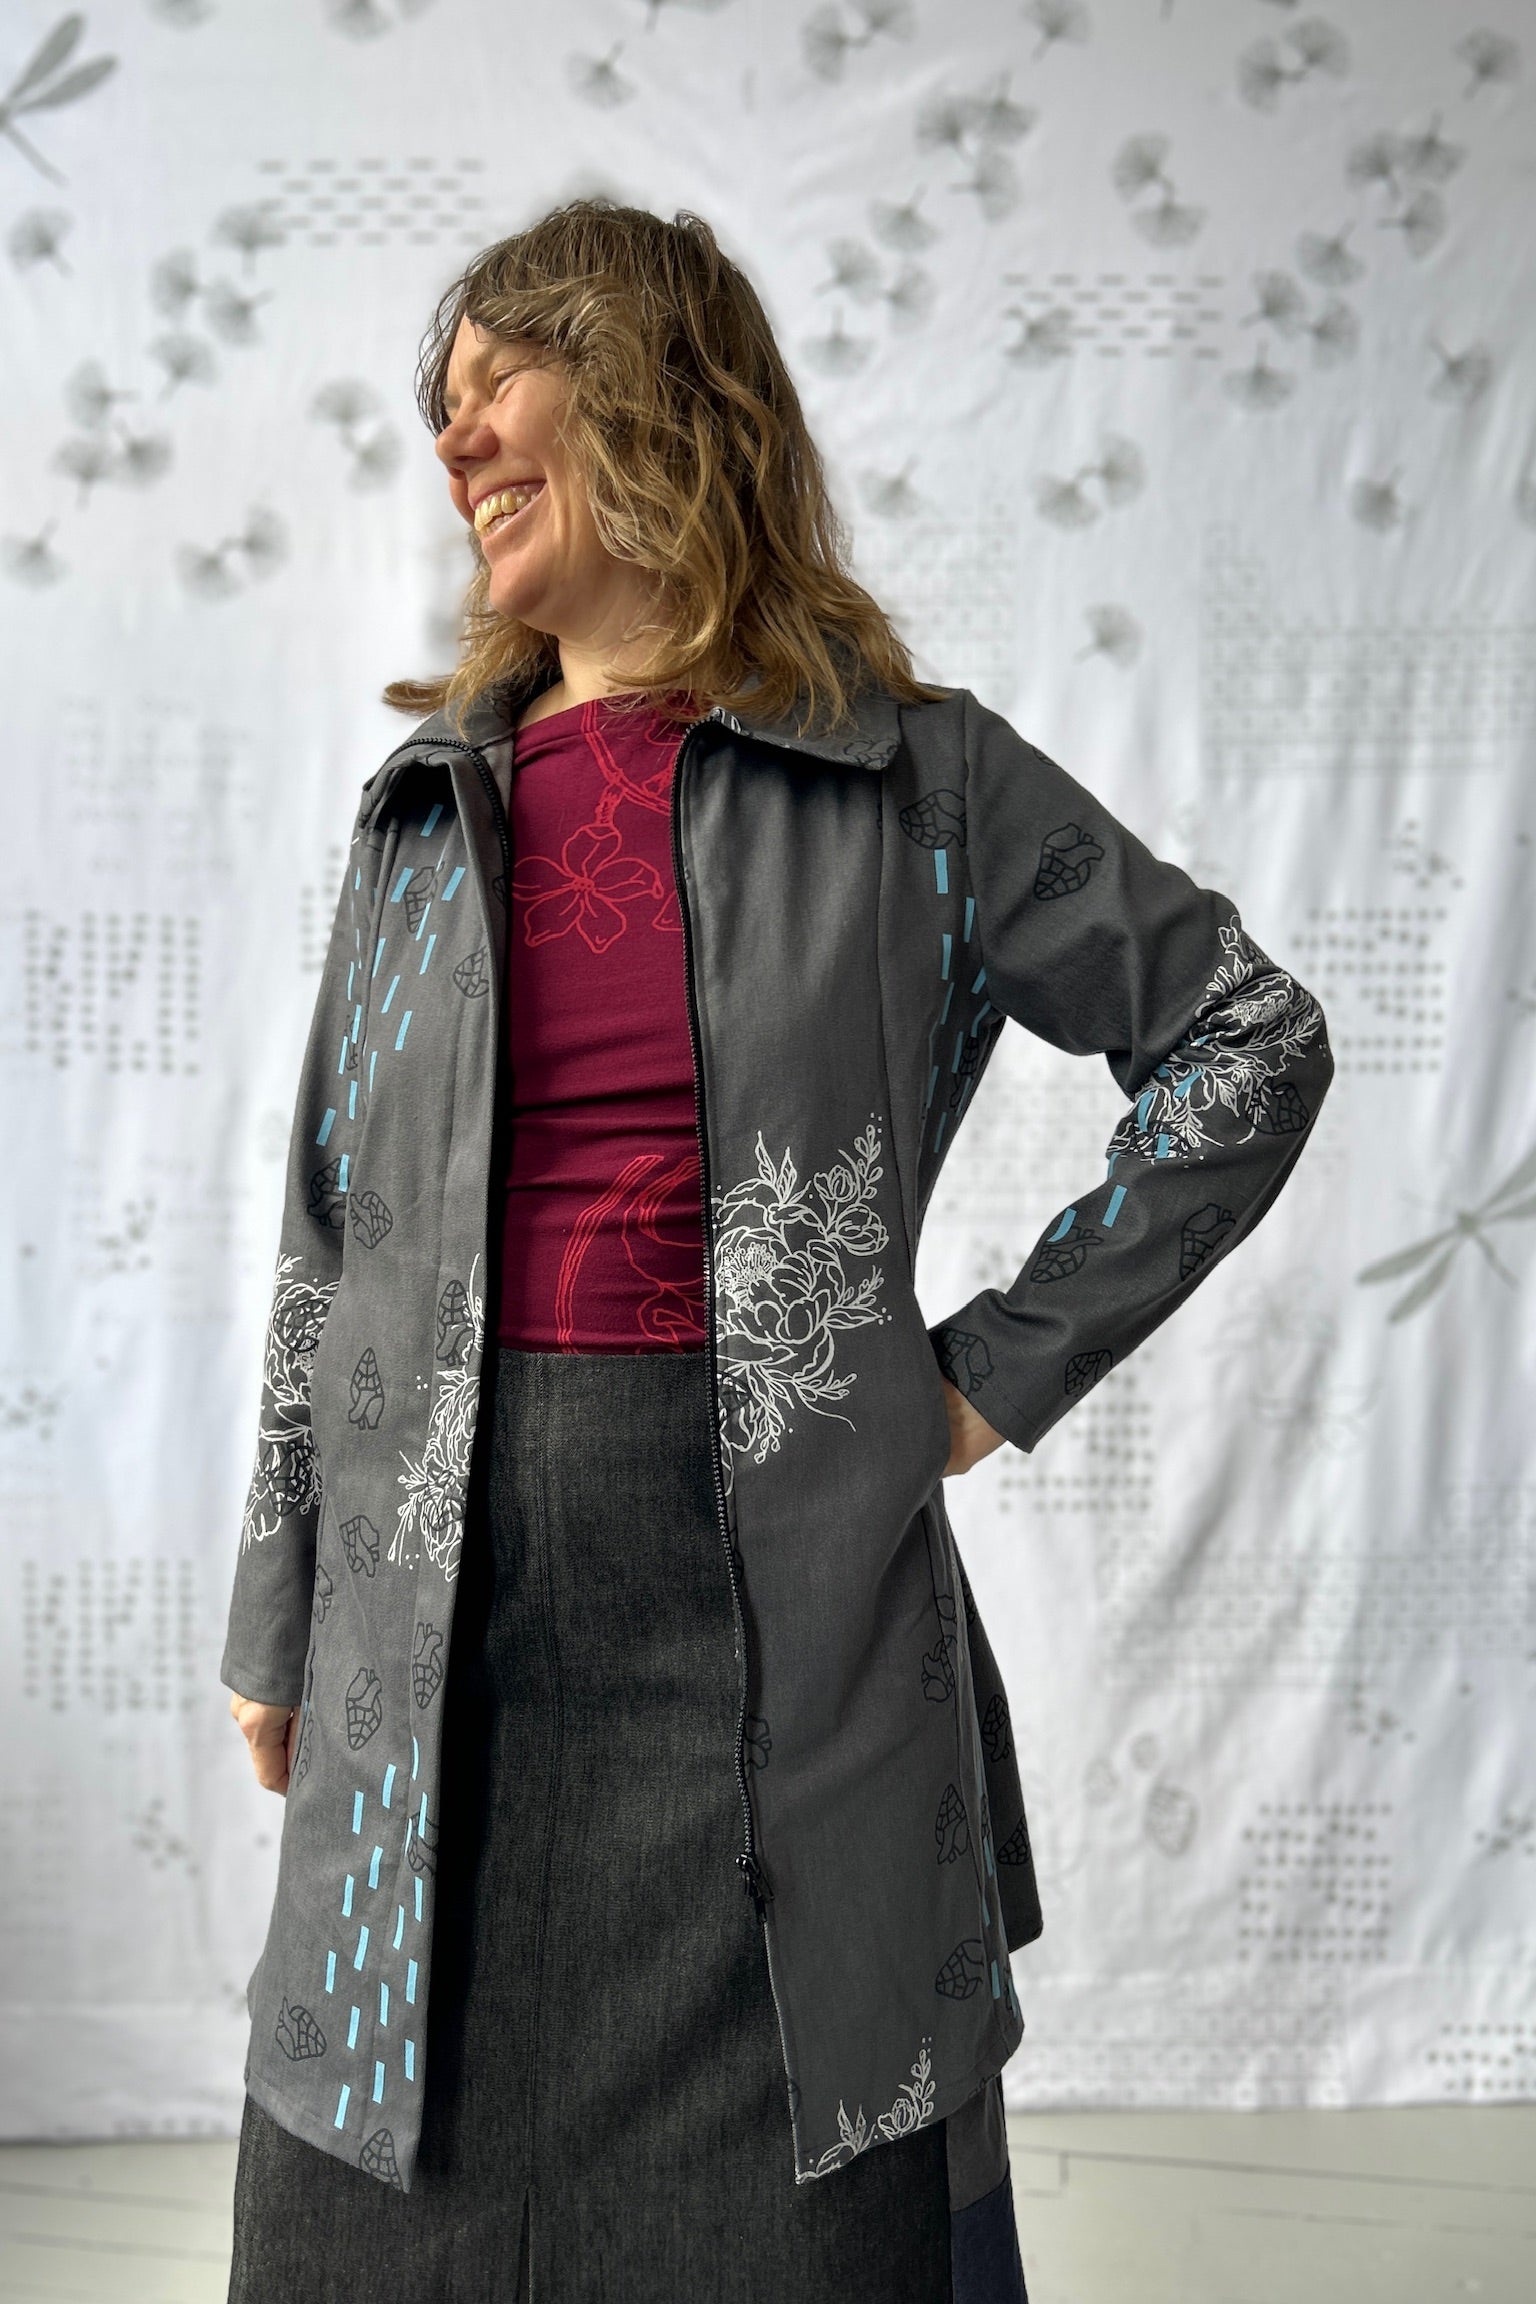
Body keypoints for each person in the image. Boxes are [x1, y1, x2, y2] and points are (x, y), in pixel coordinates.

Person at [220, 199, 1334, 2303]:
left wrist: (987, 1373)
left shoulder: (921, 784)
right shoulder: (424, 810)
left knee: (806, 2225)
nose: (454, 441)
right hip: (427, 1633)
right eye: (440, 407)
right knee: (364, 2211)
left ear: (658, 398)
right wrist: (278, 1604)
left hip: (784, 1641)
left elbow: (1245, 1039)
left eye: (500, 385)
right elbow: (328, 1244)